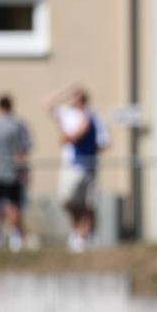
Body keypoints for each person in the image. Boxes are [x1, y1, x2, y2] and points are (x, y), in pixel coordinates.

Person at [46, 85, 109, 252]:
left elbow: (101, 142)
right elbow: (48, 104)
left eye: (76, 97)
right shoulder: (68, 114)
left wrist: (76, 138)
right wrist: (67, 91)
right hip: (71, 165)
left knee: (88, 203)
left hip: (88, 165)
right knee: (66, 200)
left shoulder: (93, 117)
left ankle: (86, 234)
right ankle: (79, 229)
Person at [0, 94, 33, 252]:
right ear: (11, 106)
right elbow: (23, 149)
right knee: (13, 205)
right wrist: (23, 170)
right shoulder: (17, 125)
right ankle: (15, 236)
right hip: (12, 171)